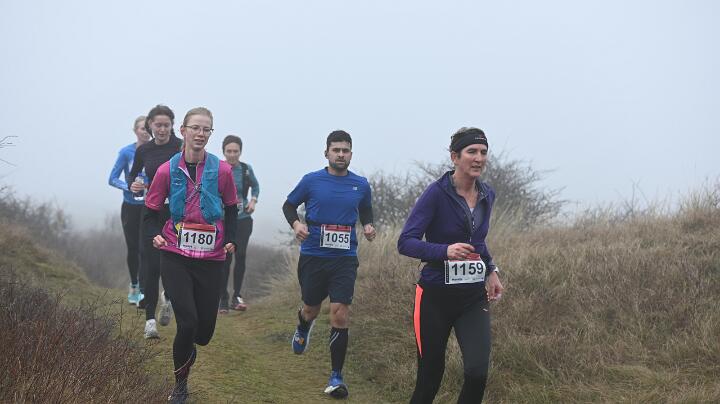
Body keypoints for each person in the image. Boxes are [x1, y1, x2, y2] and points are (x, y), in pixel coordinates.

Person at [397, 127, 505, 404]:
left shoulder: (487, 194)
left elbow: (477, 242)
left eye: (483, 152)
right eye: (472, 151)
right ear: (455, 157)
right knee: (429, 379)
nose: (479, 158)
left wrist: (491, 270)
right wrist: (444, 251)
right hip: (434, 297)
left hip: (472, 297)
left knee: (477, 373)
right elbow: (405, 242)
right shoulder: (436, 194)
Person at [144, 107, 238, 403]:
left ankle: (189, 346)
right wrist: (155, 234)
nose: (200, 134)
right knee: (187, 323)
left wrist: (231, 239)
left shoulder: (222, 171)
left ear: (210, 134)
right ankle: (180, 387)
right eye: (195, 128)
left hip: (211, 258)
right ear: (183, 131)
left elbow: (231, 208)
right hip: (175, 254)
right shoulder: (166, 170)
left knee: (202, 333)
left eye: (206, 129)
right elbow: (150, 211)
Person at [282, 130, 376, 399]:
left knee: (340, 313)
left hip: (344, 258)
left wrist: (368, 225)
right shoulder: (311, 181)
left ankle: (336, 377)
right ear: (326, 153)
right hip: (314, 255)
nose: (341, 154)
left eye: (345, 150)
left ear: (351, 154)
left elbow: (365, 209)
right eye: (336, 150)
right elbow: (289, 206)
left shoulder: (361, 184)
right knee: (311, 308)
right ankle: (303, 325)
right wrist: (297, 224)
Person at [129, 104, 183, 338]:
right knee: (151, 265)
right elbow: (133, 175)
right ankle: (149, 321)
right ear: (150, 125)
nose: (162, 129)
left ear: (172, 126)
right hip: (152, 211)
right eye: (158, 125)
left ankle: (168, 298)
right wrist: (134, 185)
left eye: (166, 125)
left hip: (177, 213)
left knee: (173, 264)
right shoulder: (144, 150)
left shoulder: (181, 146)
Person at [108, 115, 150, 305]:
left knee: (145, 249)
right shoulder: (126, 152)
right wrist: (129, 186)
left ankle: (144, 290)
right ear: (135, 131)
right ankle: (134, 284)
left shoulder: (155, 152)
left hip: (150, 207)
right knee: (133, 248)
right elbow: (112, 178)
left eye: (148, 128)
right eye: (142, 128)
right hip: (130, 207)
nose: (145, 132)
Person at [218, 135, 260, 313]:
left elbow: (256, 187)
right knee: (225, 257)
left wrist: (253, 201)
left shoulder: (245, 169)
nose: (232, 155)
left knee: (240, 254)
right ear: (224, 152)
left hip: (242, 218)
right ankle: (223, 298)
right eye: (229, 151)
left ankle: (237, 296)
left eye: (236, 151)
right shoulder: (217, 168)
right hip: (222, 219)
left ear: (240, 152)